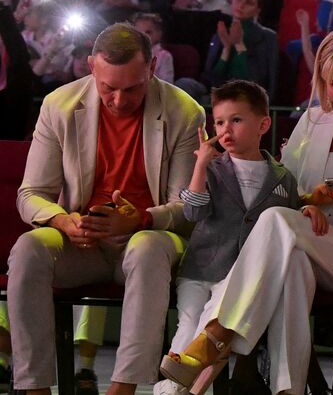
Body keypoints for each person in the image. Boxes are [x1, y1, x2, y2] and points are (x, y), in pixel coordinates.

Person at [161, 26, 333, 395]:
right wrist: (309, 202)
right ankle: (289, 389)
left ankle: (216, 334)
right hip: (305, 242)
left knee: (275, 221)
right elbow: (284, 189)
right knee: (292, 265)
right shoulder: (312, 122)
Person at [8, 23, 204, 395]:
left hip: (151, 240)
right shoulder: (58, 105)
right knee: (29, 248)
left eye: (132, 88)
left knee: (147, 246)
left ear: (153, 68)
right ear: (90, 68)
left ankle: (123, 388)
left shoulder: (185, 111)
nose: (118, 99)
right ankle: (33, 388)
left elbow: (188, 208)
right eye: (108, 87)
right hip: (83, 242)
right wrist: (63, 220)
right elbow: (30, 194)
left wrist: (142, 218)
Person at [160, 79, 299, 393]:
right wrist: (199, 165)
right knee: (190, 320)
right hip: (200, 268)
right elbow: (193, 213)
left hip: (239, 278)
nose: (225, 130)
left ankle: (176, 389)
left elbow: (284, 227)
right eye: (219, 122)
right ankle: (172, 388)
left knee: (213, 326)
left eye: (236, 120)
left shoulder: (282, 177)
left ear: (263, 123)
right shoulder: (212, 169)